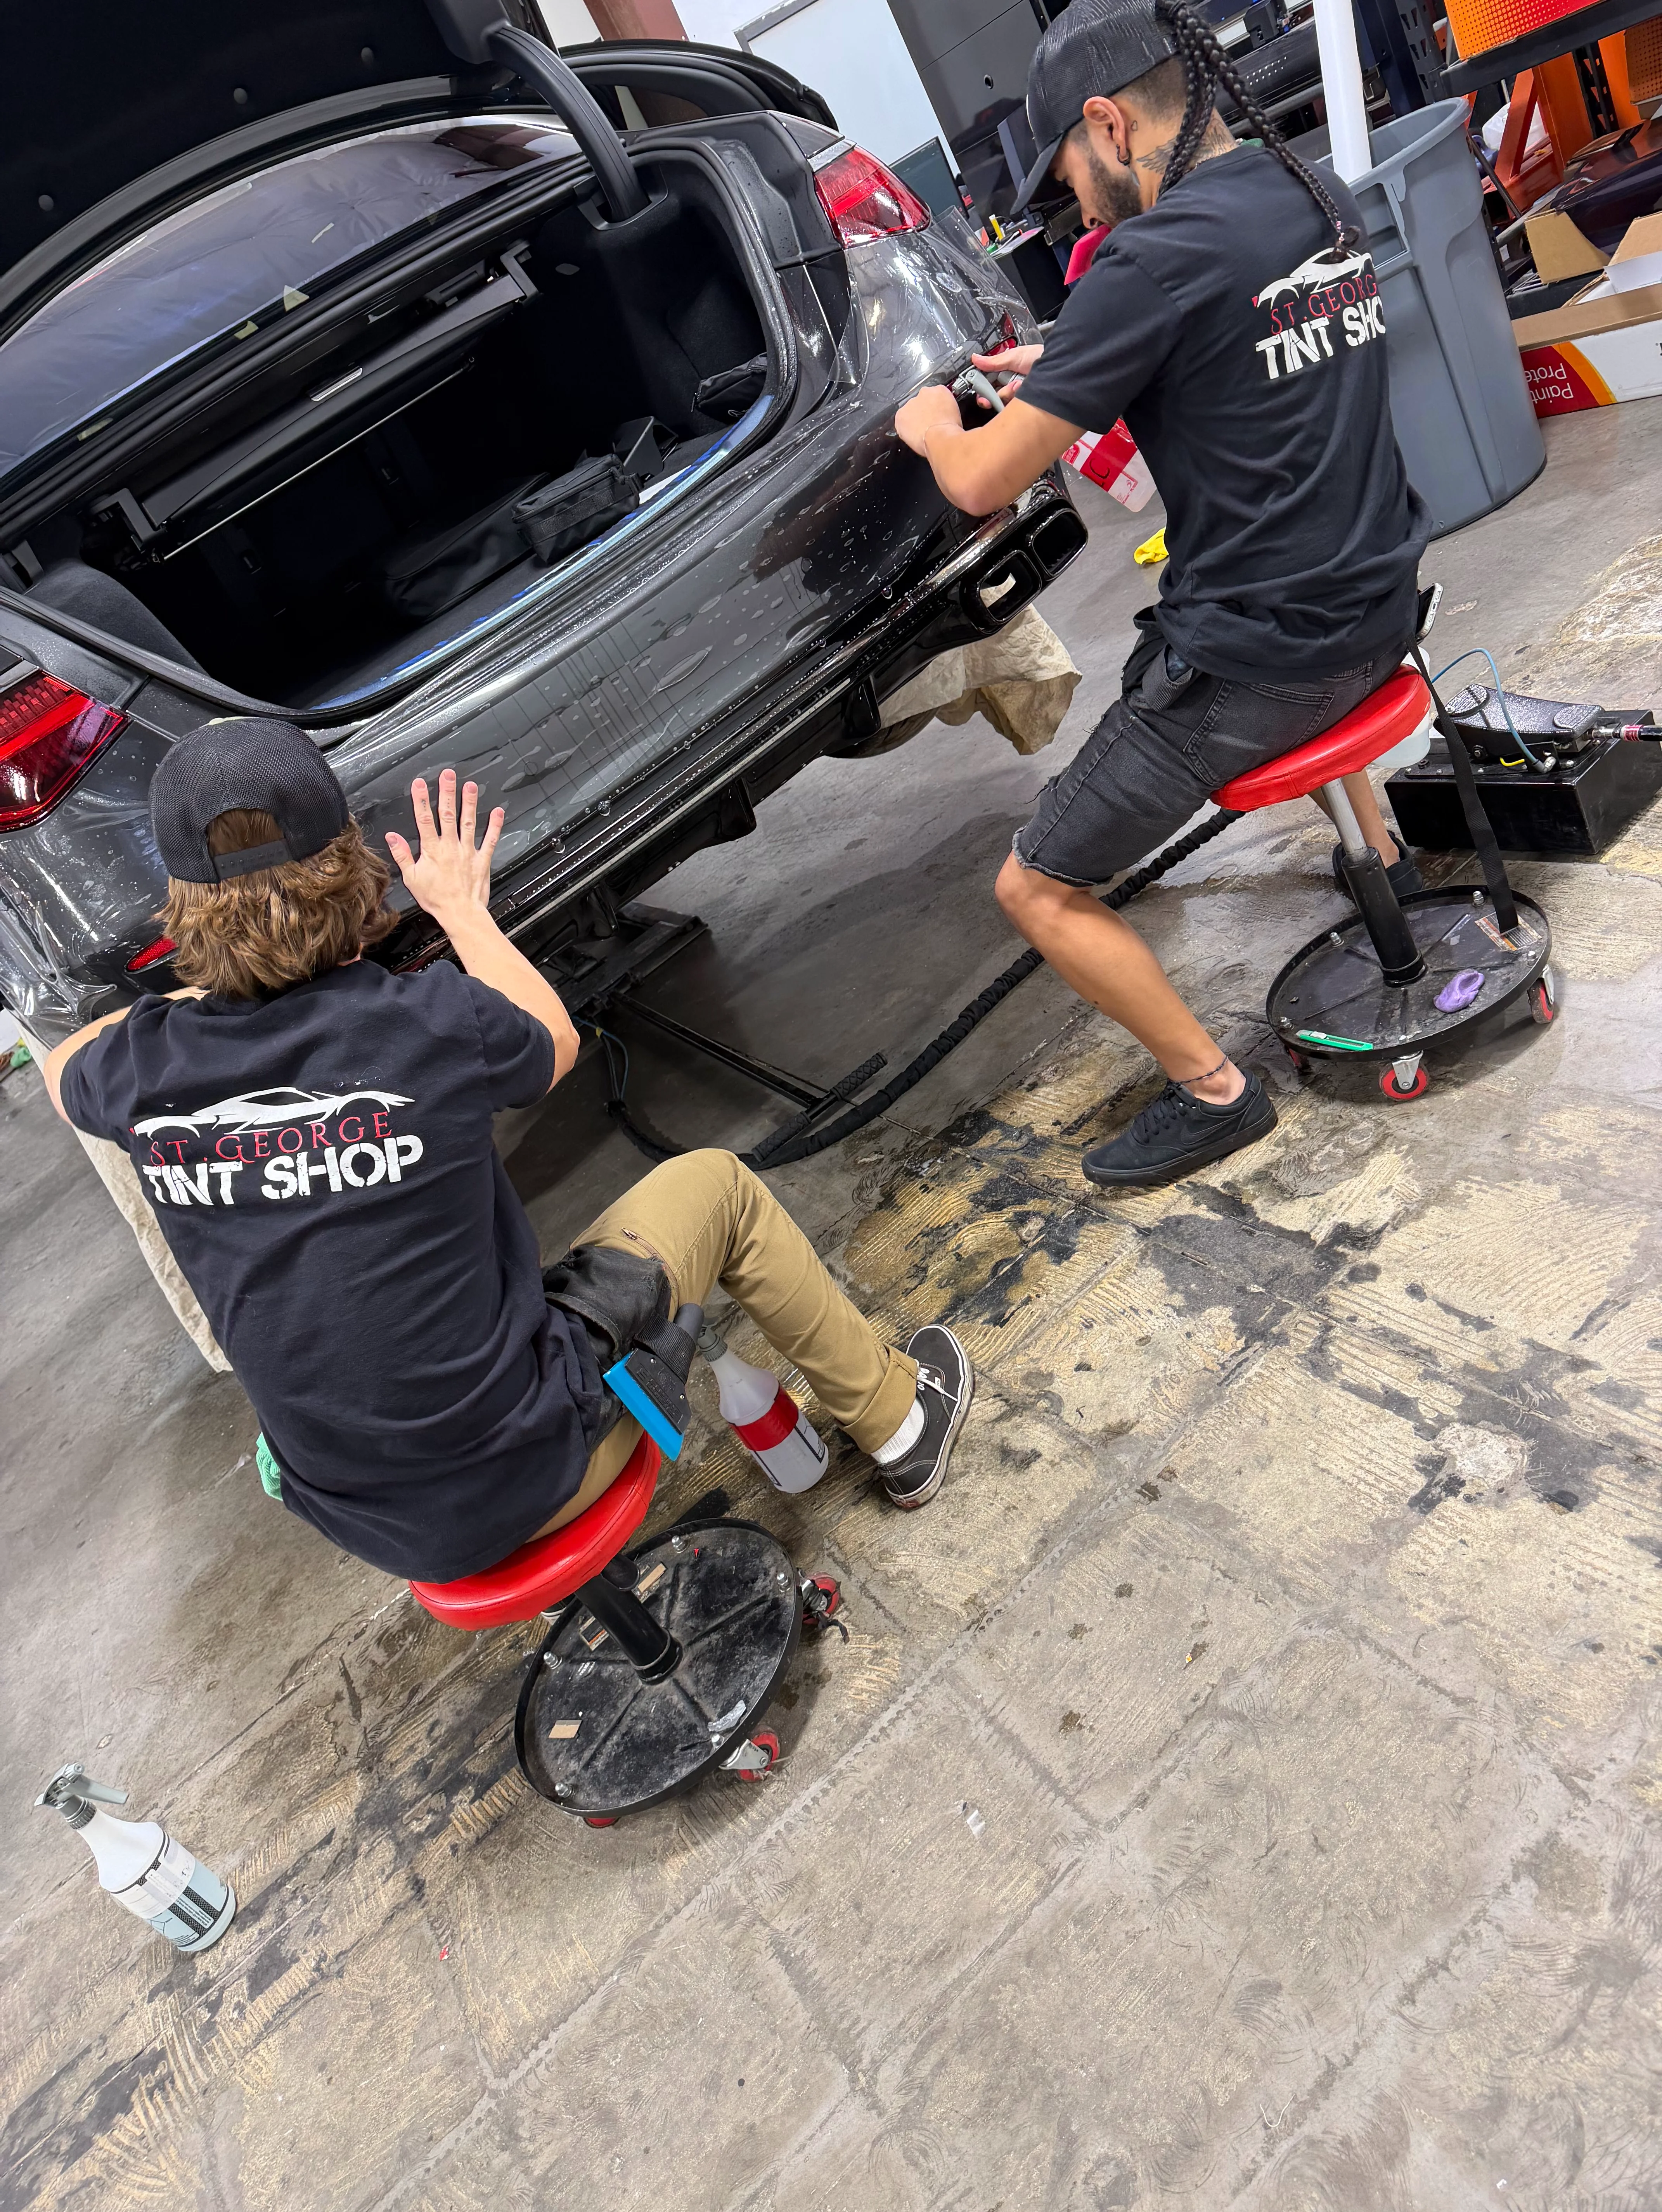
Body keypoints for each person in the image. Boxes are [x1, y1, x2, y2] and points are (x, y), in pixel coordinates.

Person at [41, 721, 971, 1582]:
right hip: (531, 1476)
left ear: (181, 914)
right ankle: (902, 1424)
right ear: (353, 866)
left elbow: (64, 1067)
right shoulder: (425, 1024)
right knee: (718, 1186)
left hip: (367, 1521)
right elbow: (554, 1041)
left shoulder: (135, 1068)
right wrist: (463, 910)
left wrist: (212, 981)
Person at [896, 0, 1431, 1190]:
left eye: (1072, 177)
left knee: (1034, 888)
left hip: (1260, 669)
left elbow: (982, 480)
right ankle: (1382, 864)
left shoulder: (1145, 260)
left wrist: (932, 425)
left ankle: (1214, 1094)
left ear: (1107, 124)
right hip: (1387, 603)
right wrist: (1086, 355)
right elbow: (1229, 351)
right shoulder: (1309, 190)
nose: (1076, 209)